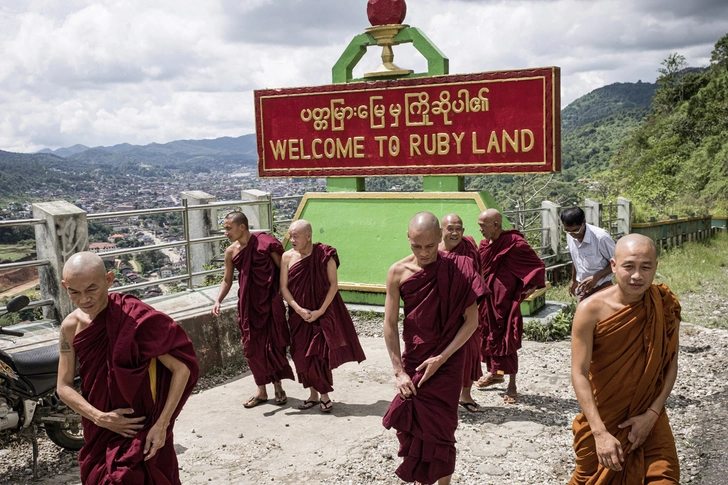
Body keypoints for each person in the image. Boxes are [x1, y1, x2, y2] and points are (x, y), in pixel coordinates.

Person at [57, 251, 199, 485]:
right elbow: (63, 387)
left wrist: (162, 425)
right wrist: (100, 418)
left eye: (91, 289)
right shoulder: (70, 327)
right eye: (74, 292)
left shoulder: (135, 318)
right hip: (100, 426)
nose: (84, 299)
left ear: (109, 279)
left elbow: (181, 369)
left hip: (141, 427)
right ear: (65, 286)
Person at [382, 212, 486, 485]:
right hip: (415, 360)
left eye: (430, 246)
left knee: (443, 429)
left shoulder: (460, 267)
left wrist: (442, 357)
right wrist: (398, 372)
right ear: (408, 239)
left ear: (439, 238)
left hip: (448, 361)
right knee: (415, 425)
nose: (424, 252)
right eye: (416, 246)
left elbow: (471, 321)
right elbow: (390, 325)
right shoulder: (397, 272)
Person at [569, 234, 680, 483]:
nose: (637, 276)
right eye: (629, 266)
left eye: (645, 267)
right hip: (605, 419)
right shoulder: (590, 311)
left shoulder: (664, 304)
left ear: (655, 268)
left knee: (665, 478)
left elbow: (670, 363)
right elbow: (579, 372)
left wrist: (652, 414)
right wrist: (599, 433)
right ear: (613, 266)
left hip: (651, 417)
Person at [279, 220, 366, 413]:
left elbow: (333, 285)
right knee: (300, 354)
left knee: (317, 355)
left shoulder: (325, 255)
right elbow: (284, 288)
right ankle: (312, 395)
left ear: (308, 235)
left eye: (296, 236)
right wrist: (298, 309)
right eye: (290, 236)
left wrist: (319, 311)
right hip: (298, 315)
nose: (292, 240)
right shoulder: (286, 257)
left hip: (321, 313)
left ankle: (325, 395)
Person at [211, 211, 294, 408]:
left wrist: (289, 298)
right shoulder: (231, 251)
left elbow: (283, 271)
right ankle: (261, 391)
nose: (226, 232)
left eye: (228, 228)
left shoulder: (266, 243)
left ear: (242, 227)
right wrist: (218, 300)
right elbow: (227, 280)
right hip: (248, 304)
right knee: (252, 347)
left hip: (270, 300)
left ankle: (277, 385)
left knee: (274, 344)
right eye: (225, 228)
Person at [474, 209, 545, 404]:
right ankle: (496, 373)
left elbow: (537, 266)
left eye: (483, 225)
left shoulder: (514, 243)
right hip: (487, 299)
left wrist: (527, 291)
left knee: (507, 338)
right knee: (487, 334)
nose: (480, 229)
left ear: (496, 224)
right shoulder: (485, 245)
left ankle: (512, 384)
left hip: (506, 301)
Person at [438, 213, 484, 413]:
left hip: (467, 308)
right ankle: (442, 396)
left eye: (459, 229)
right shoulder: (433, 251)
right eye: (450, 228)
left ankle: (465, 395)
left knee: (470, 352)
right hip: (442, 311)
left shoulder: (469, 248)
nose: (455, 233)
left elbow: (479, 275)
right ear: (441, 231)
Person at [560, 206, 616, 301]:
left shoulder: (601, 237)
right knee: (583, 314)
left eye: (576, 230)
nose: (573, 234)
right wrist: (574, 280)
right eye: (568, 231)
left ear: (584, 222)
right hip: (583, 288)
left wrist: (596, 278)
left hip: (602, 287)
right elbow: (575, 257)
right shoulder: (570, 234)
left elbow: (618, 262)